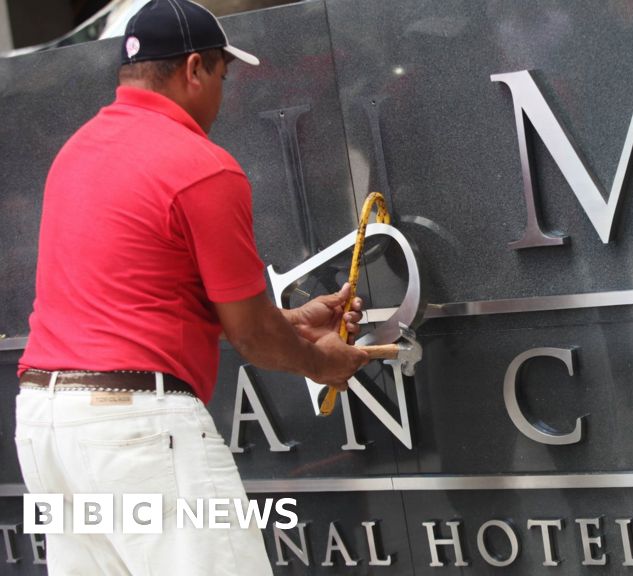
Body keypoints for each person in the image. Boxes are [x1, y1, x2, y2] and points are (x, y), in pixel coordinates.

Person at [13, 1, 368, 574]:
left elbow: (146, 299)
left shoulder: (76, 152)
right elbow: (251, 336)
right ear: (195, 68)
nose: (223, 97)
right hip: (134, 429)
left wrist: (290, 322)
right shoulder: (201, 165)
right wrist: (322, 363)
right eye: (223, 77)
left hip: (45, 427)